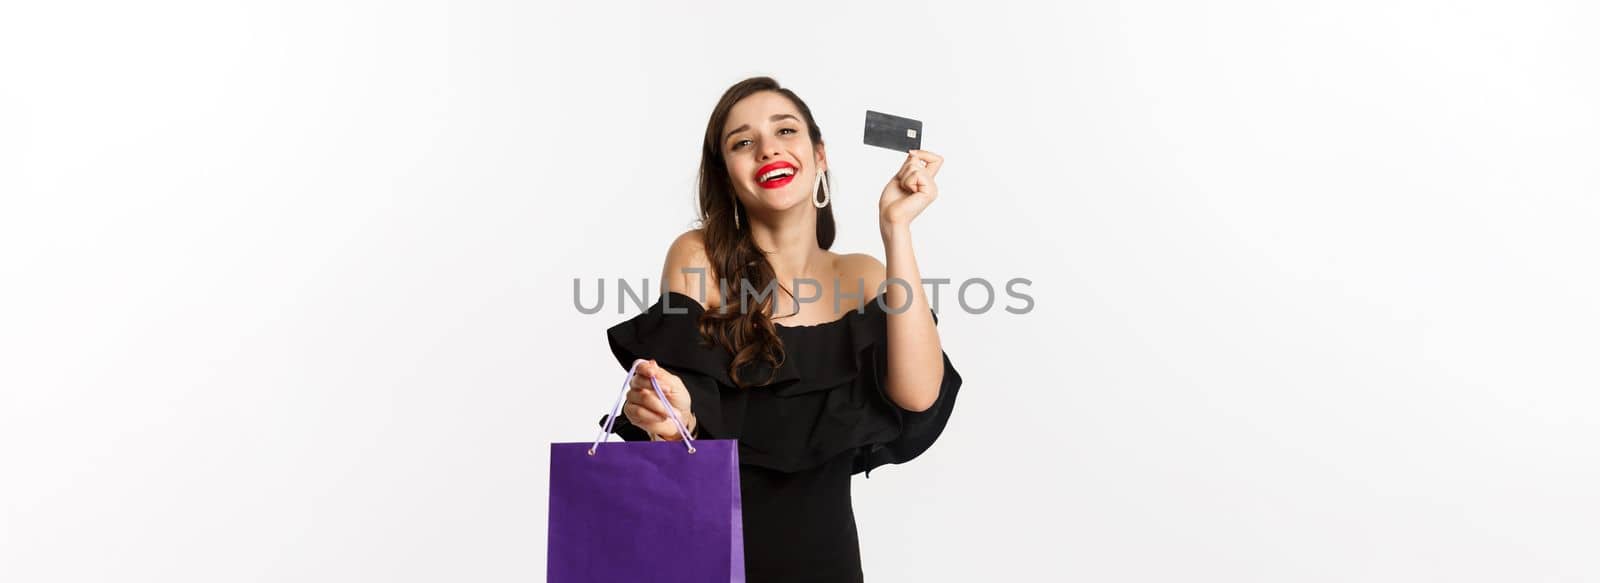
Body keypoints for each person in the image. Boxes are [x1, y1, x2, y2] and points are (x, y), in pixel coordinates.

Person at [599, 76, 963, 582]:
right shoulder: (697, 257)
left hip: (826, 560)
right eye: (743, 142)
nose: (768, 149)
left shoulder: (861, 276)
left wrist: (896, 229)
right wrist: (667, 411)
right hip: (710, 556)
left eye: (785, 131)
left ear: (820, 155)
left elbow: (919, 394)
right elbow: (682, 419)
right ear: (727, 175)